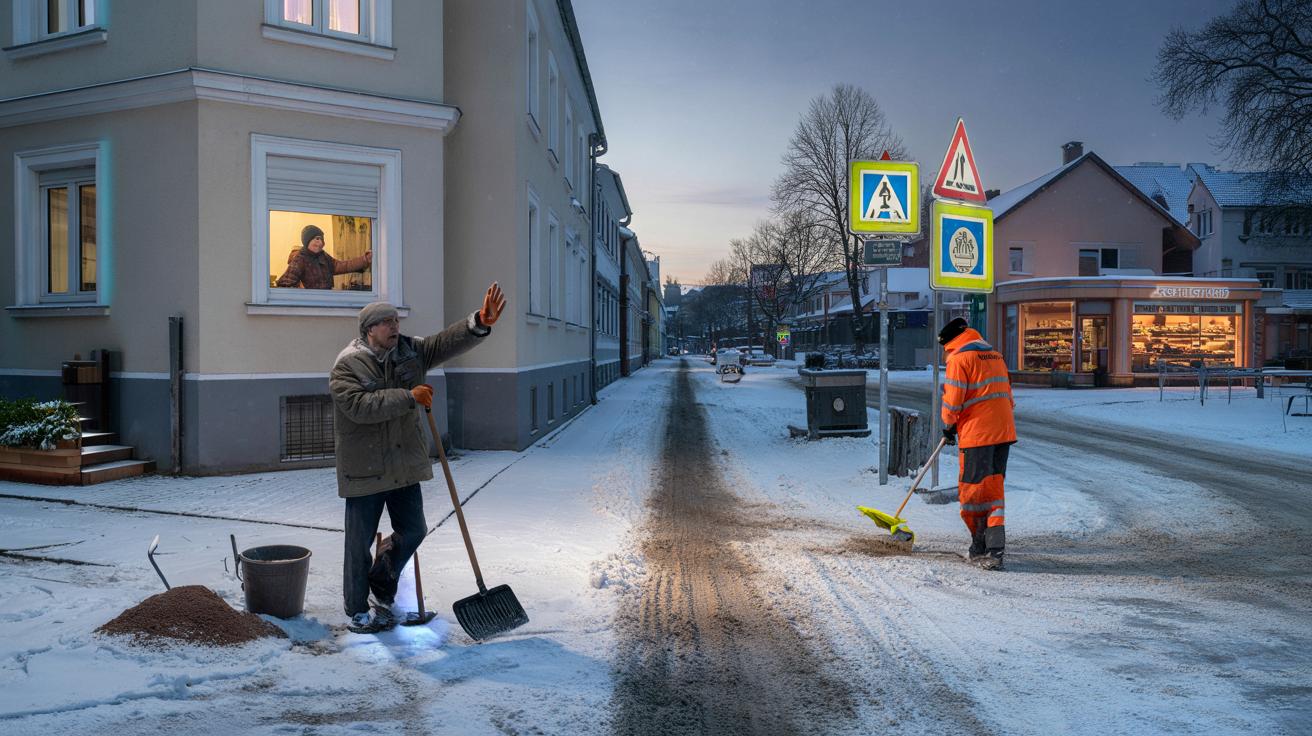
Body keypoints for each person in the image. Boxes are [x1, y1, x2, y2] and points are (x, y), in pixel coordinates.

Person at [329, 283, 506, 633]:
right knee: (358, 543)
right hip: (364, 467)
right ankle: (356, 609)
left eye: (396, 320)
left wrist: (478, 323)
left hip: (403, 465)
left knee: (413, 530)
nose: (395, 326)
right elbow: (359, 407)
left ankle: (381, 579)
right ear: (369, 330)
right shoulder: (347, 365)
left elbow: (445, 343)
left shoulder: (410, 351)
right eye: (387, 322)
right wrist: (409, 396)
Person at [938, 317, 1016, 571]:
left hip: (977, 436)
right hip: (1003, 434)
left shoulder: (959, 359)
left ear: (950, 342)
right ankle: (993, 548)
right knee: (993, 491)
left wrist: (948, 426)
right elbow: (1008, 397)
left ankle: (980, 544)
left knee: (972, 494)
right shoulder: (995, 356)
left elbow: (952, 402)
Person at [277, 224, 372, 289]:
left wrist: (365, 259)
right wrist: (302, 296)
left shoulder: (324, 257)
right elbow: (285, 284)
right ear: (307, 241)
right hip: (309, 306)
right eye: (317, 239)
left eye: (322, 240)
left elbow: (343, 266)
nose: (321, 242)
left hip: (326, 301)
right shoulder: (300, 259)